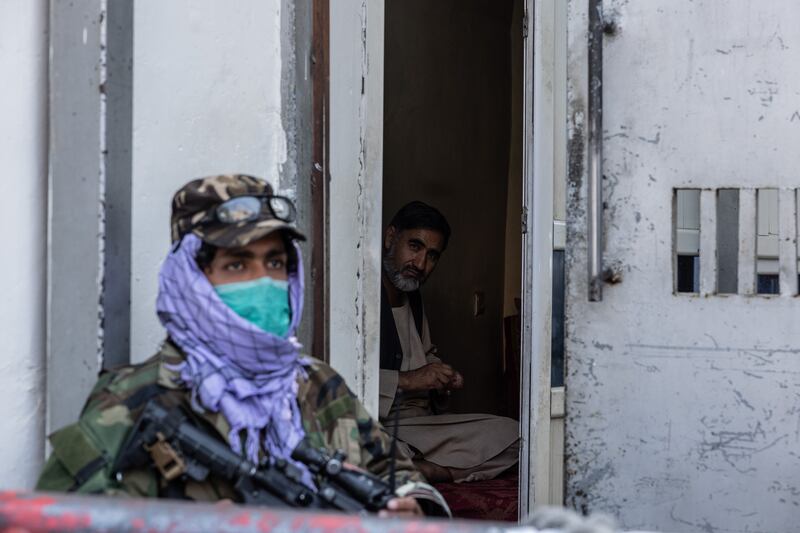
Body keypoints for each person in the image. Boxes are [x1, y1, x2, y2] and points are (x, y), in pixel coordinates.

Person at [36, 175, 448, 517]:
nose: (264, 282)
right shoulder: (132, 403)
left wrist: (413, 506)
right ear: (193, 277)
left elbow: (392, 467)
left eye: (275, 262)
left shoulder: (316, 383)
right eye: (236, 264)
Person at [379, 201, 520, 483]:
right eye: (415, 246)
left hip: (417, 427)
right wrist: (407, 380)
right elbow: (333, 377)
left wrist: (440, 376)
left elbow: (424, 355)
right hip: (375, 425)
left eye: (432, 256)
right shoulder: (359, 293)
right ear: (390, 238)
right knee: (354, 446)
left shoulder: (413, 297)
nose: (420, 264)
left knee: (517, 435)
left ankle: (435, 471)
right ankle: (411, 465)